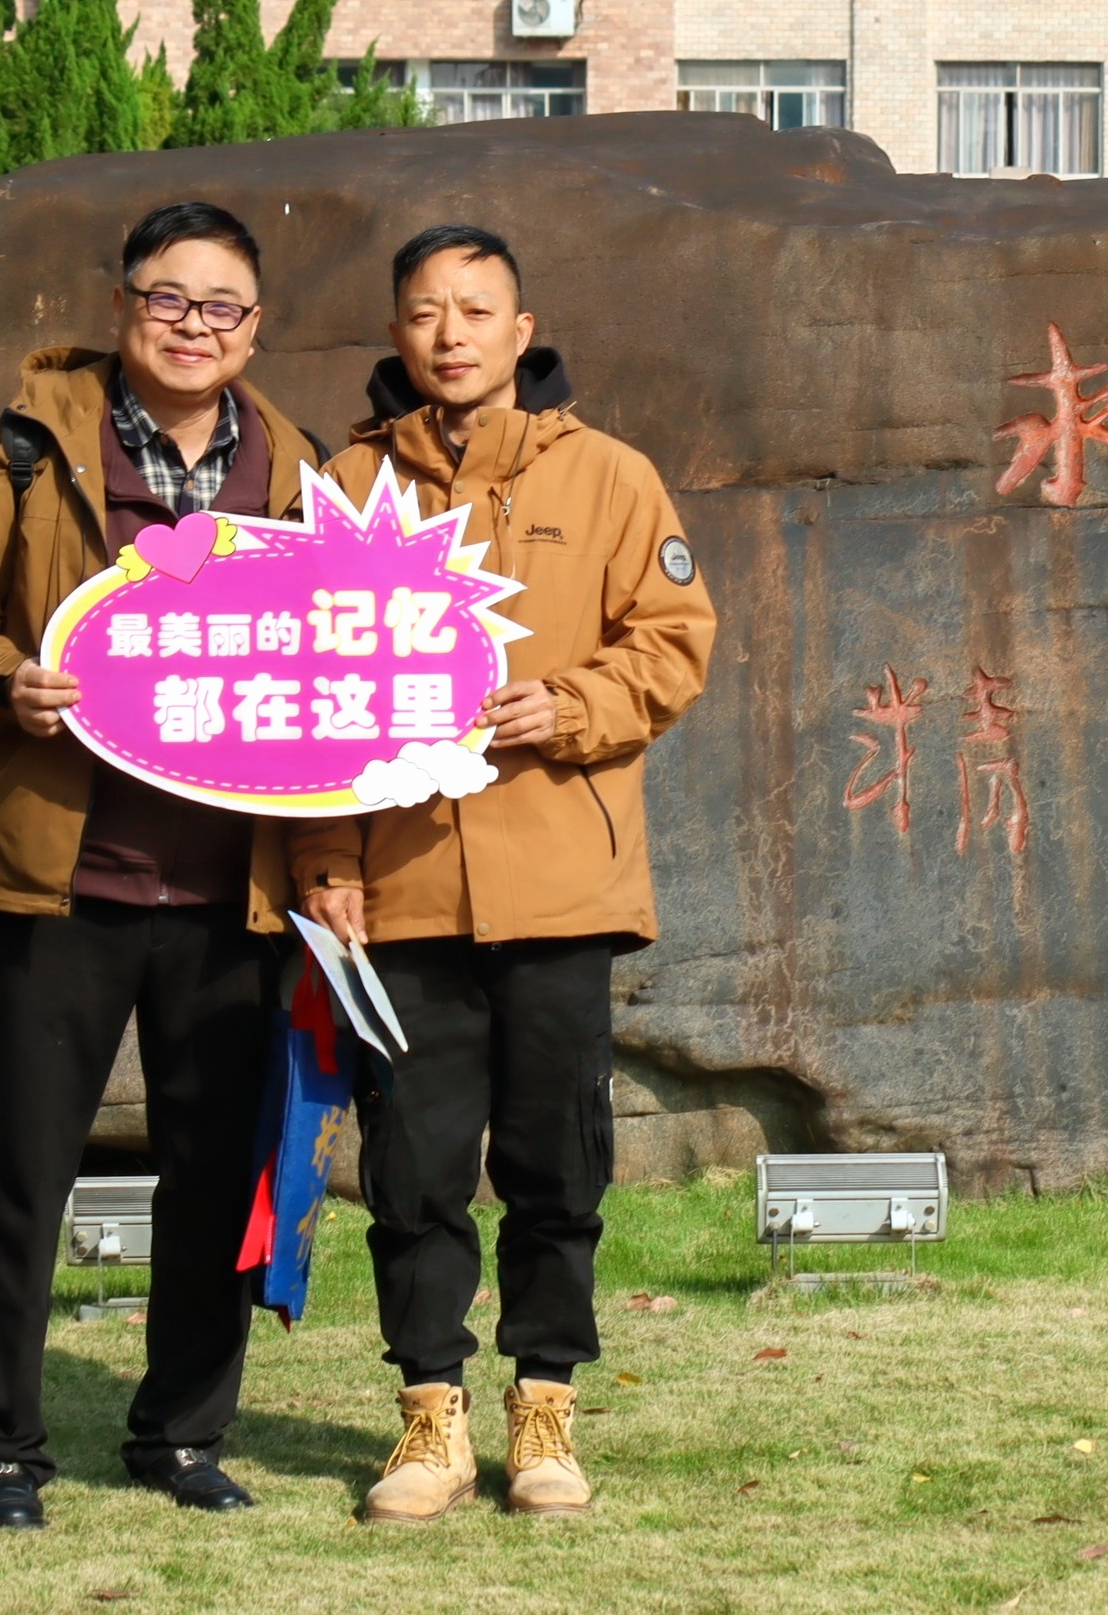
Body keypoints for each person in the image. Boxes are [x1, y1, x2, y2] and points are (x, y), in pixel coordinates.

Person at [0, 202, 326, 1530]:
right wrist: (1, 683)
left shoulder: (298, 470)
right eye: (169, 298)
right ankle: (0, 1449)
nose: (195, 326)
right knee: (27, 1169)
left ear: (255, 326)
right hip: (67, 871)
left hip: (233, 887)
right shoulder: (21, 447)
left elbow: (335, 654)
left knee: (217, 1171)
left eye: (222, 306)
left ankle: (182, 1433)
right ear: (125, 303)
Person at [295, 224, 714, 1522]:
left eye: (478, 310)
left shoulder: (611, 477)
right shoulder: (342, 487)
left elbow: (674, 641)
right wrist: (325, 858)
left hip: (560, 884)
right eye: (427, 311)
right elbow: (300, 695)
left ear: (522, 332)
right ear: (396, 331)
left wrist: (571, 705)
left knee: (557, 1161)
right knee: (413, 1170)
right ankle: (430, 1417)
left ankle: (545, 1409)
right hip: (402, 890)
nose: (452, 334)